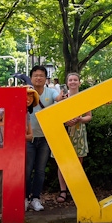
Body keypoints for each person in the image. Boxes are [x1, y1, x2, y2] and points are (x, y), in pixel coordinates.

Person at [0, 86, 39, 217]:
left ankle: (7, 207)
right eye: (27, 95)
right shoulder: (4, 110)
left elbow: (30, 135)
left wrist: (19, 135)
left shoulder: (26, 114)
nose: (28, 99)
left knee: (13, 180)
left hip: (17, 150)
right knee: (1, 179)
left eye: (31, 97)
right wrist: (6, 124)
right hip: (3, 148)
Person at [27, 65, 64, 211]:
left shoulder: (51, 92)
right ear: (31, 77)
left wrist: (60, 98)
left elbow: (58, 98)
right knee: (27, 170)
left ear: (45, 78)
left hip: (45, 138)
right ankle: (24, 198)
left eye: (41, 75)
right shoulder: (27, 92)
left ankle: (35, 198)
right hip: (28, 138)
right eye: (35, 75)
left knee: (40, 170)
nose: (38, 78)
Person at [55, 72, 92, 203]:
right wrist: (66, 121)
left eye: (75, 80)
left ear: (79, 82)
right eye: (70, 80)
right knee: (62, 162)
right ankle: (63, 190)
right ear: (67, 82)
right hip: (64, 131)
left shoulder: (84, 98)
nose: (73, 82)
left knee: (78, 161)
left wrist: (80, 119)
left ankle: (75, 189)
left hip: (79, 131)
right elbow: (56, 115)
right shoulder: (62, 97)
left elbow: (89, 116)